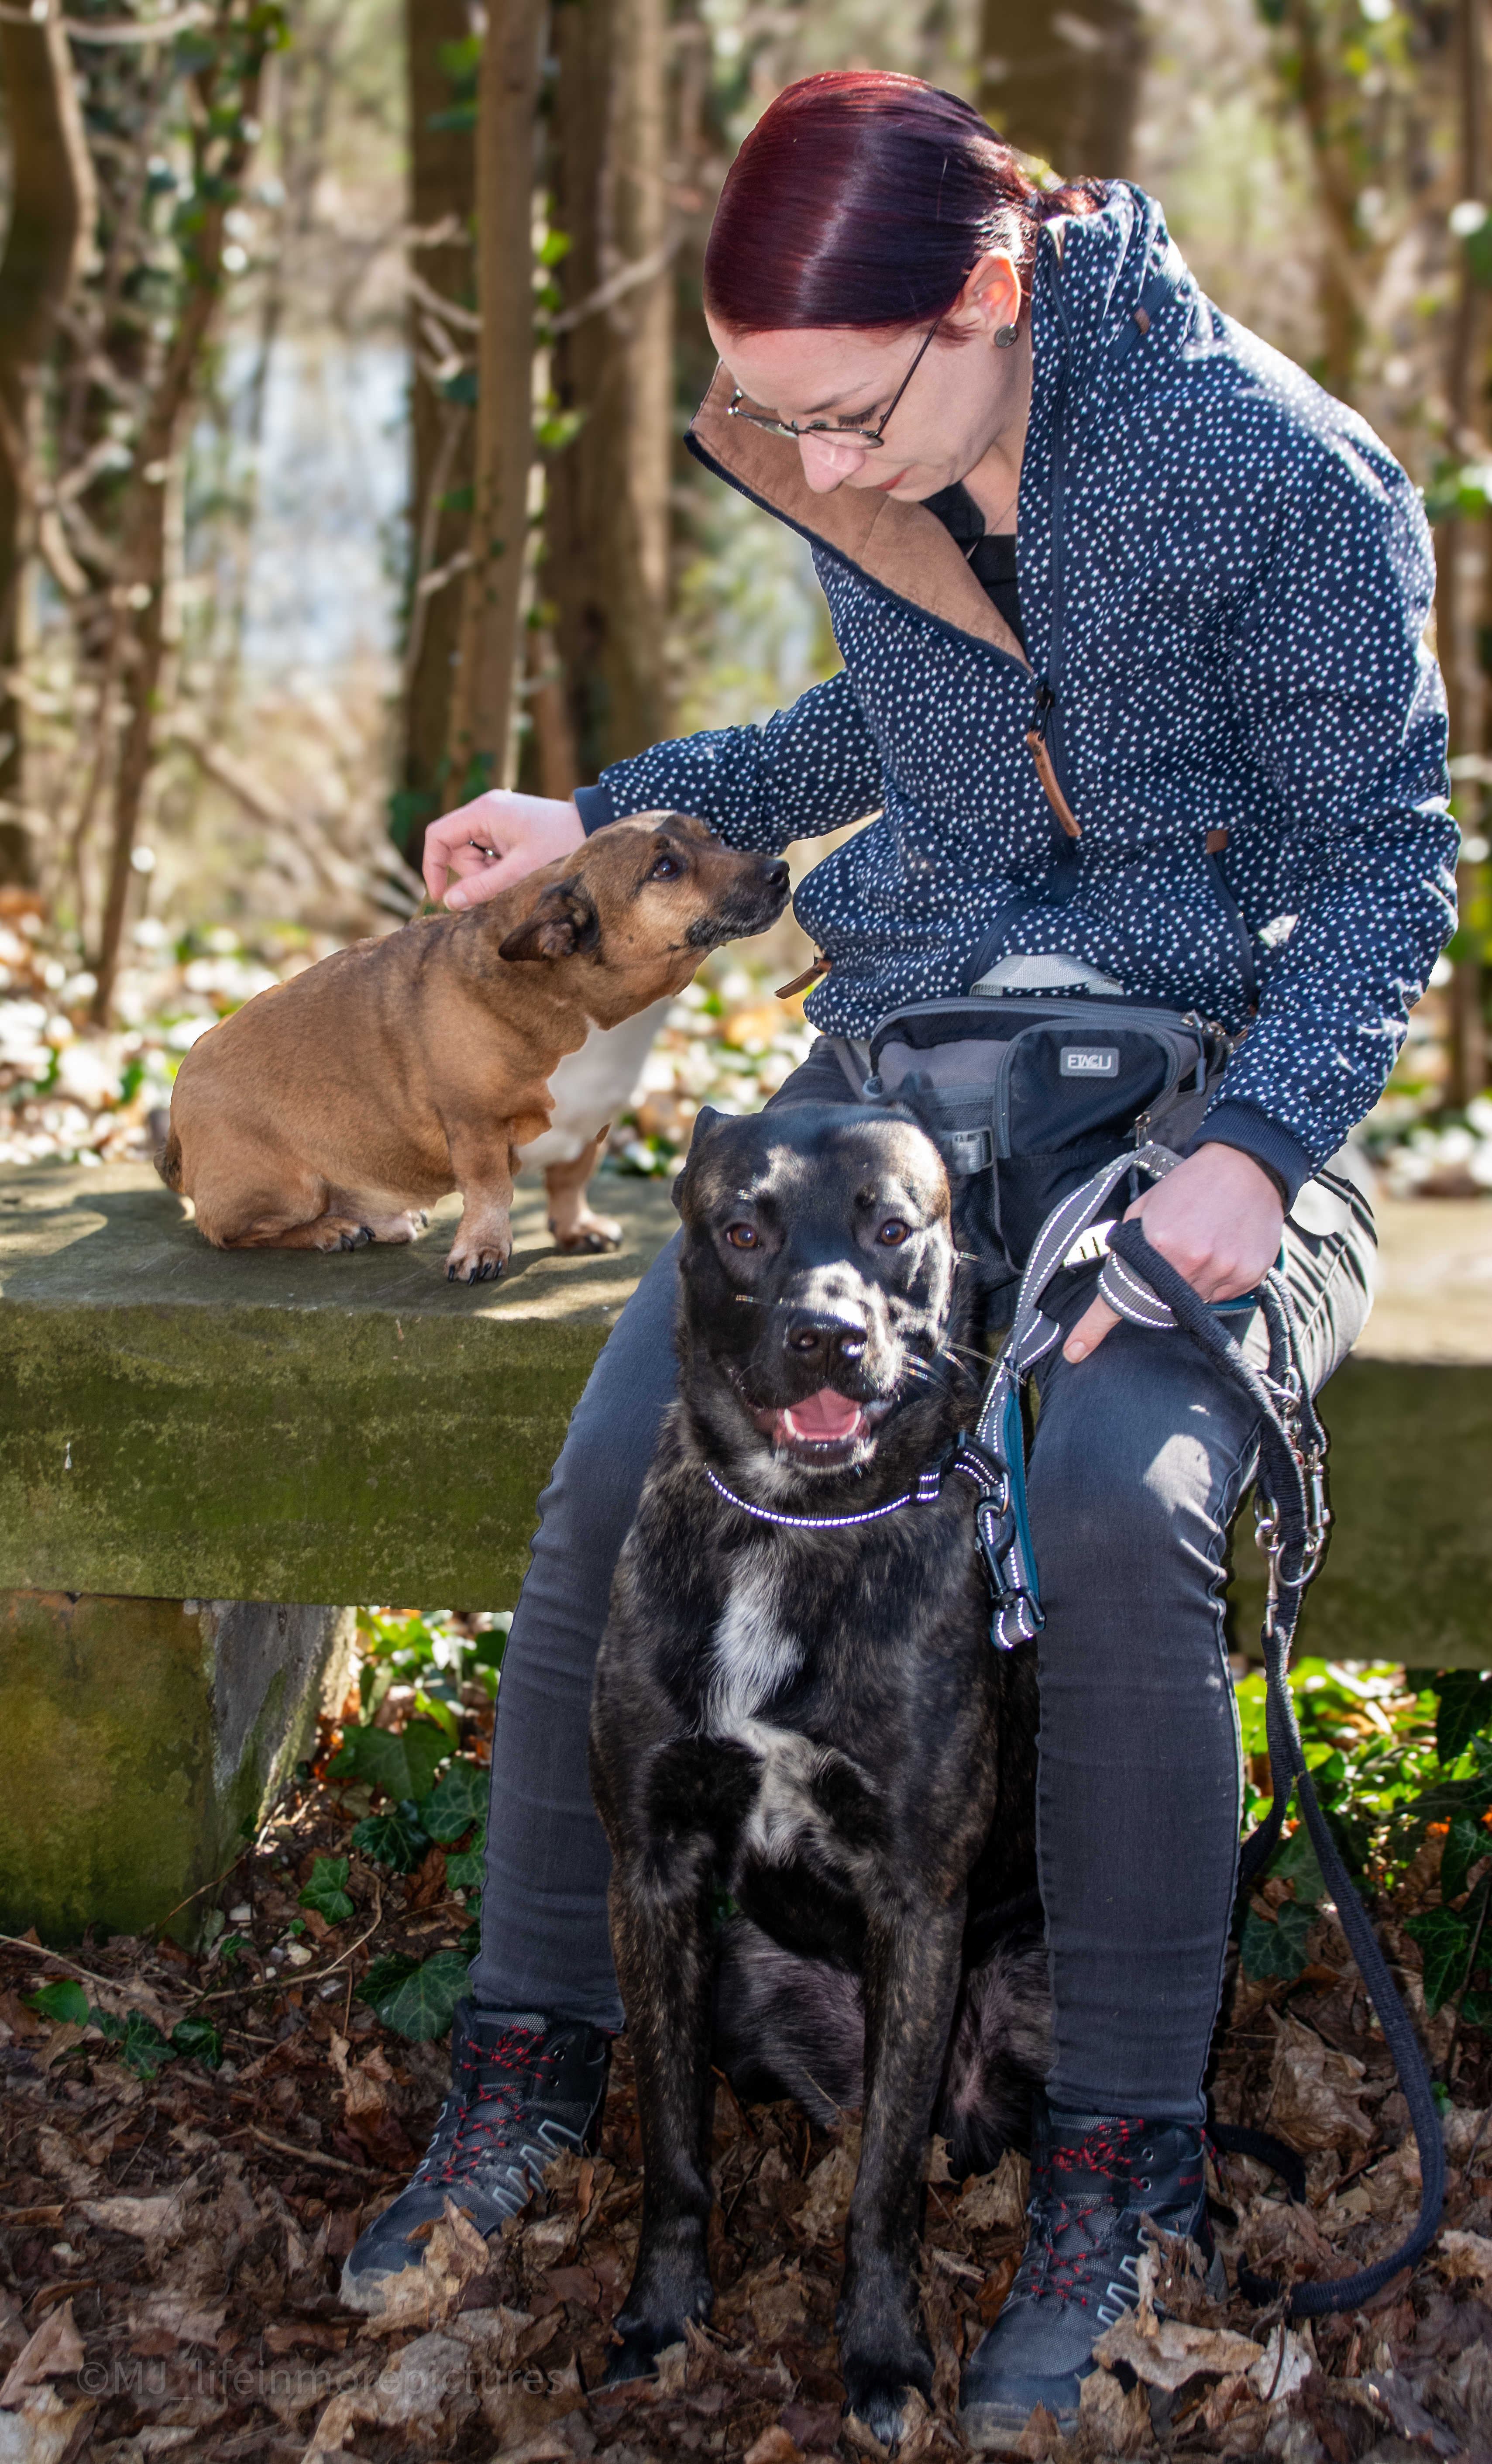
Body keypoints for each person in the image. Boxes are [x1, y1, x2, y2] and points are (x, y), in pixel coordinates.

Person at [342, 71, 1454, 2438]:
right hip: (908, 1079)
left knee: (1136, 1502)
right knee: (630, 1463)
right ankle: (535, 2057)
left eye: (852, 417)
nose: (820, 472)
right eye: (785, 423)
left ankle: (1121, 2159)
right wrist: (628, 808)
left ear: (989, 294)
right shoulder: (874, 442)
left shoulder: (1282, 476)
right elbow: (914, 720)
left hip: (1208, 1096)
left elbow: (1386, 866)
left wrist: (1259, 1148)